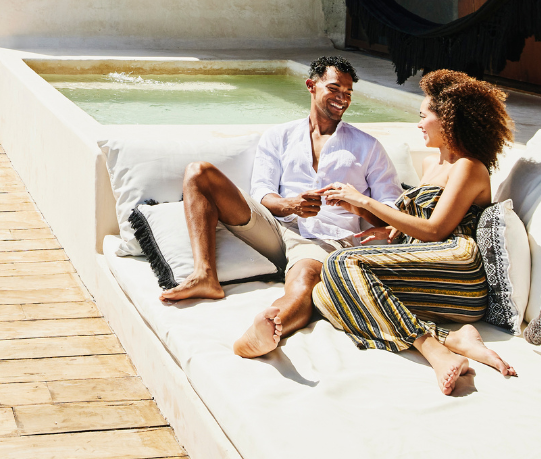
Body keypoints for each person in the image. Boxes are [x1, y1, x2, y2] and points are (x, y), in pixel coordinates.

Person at [161, 56, 402, 361]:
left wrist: (355, 205)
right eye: (335, 88)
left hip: (324, 239)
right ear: (310, 86)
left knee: (303, 283)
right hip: (276, 228)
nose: (343, 98)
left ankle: (266, 330)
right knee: (199, 173)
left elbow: (391, 209)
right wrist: (291, 205)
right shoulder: (279, 136)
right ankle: (205, 275)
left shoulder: (367, 147)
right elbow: (262, 192)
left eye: (349, 93)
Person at [314, 69, 518, 396]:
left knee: (341, 263)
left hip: (457, 267)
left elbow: (435, 230)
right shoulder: (431, 165)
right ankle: (451, 337)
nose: (419, 124)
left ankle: (432, 348)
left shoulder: (468, 167)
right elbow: (412, 225)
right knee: (323, 295)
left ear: (449, 119)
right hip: (427, 267)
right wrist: (362, 210)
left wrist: (365, 198)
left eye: (425, 116)